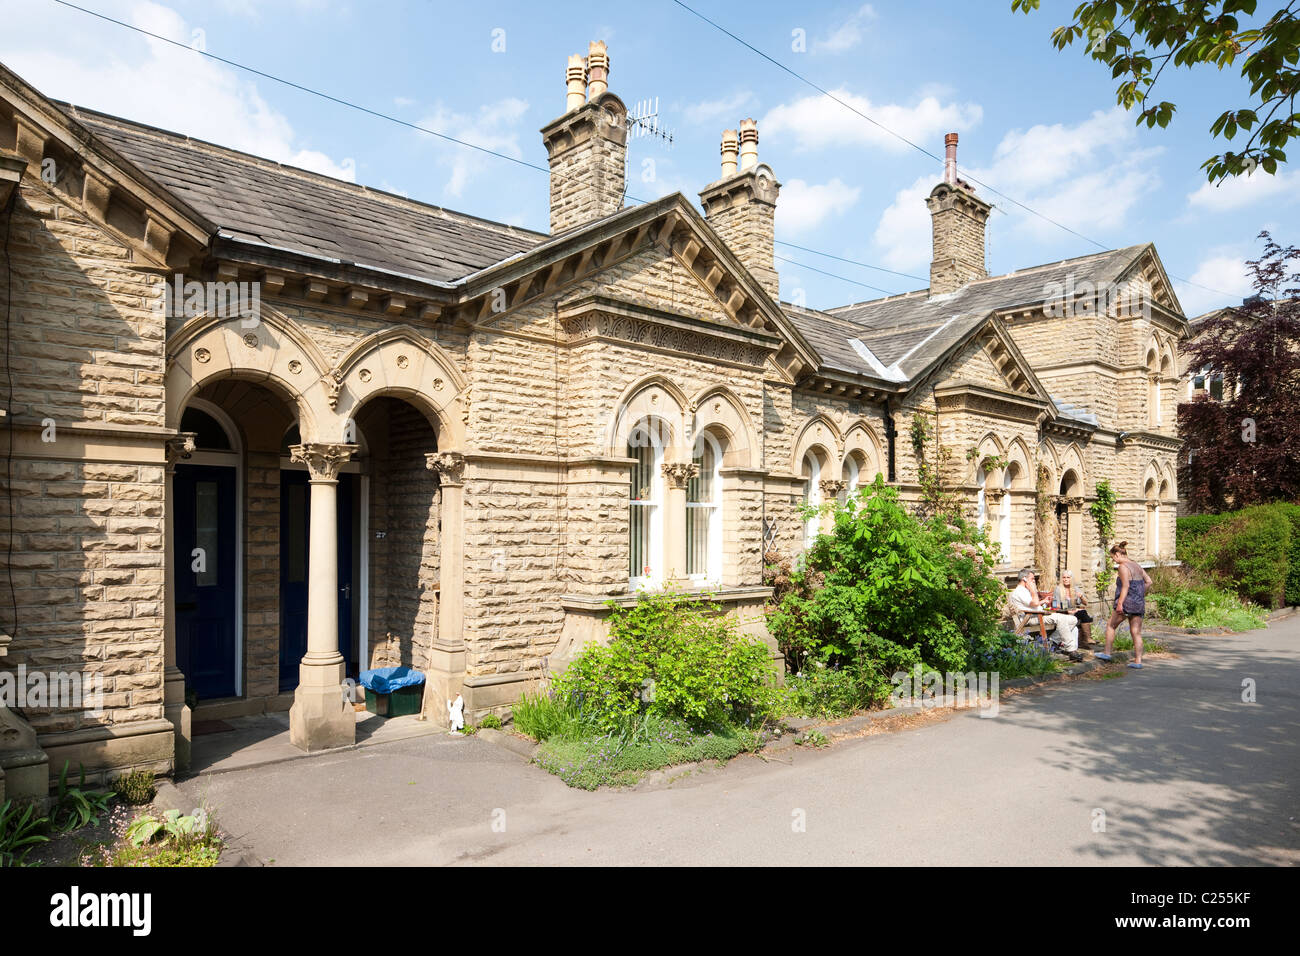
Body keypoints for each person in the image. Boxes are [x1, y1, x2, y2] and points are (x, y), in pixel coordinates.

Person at [1097, 542, 1153, 668]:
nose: (1114, 561)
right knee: (1136, 632)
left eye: (1113, 558)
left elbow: (1126, 586)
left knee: (1111, 625)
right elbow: (1149, 581)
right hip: (1138, 603)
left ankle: (1107, 653)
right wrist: (1139, 593)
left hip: (1126, 603)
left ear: (1117, 554)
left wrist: (1120, 604)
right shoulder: (1137, 565)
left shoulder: (1123, 567)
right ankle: (1138, 661)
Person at [1010, 568, 1082, 661]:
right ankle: (1071, 650)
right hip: (1031, 618)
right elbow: (1034, 603)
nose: (1034, 581)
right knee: (1062, 619)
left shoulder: (1024, 590)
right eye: (1032, 579)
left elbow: (1032, 604)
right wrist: (1033, 590)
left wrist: (1043, 601)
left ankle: (1052, 642)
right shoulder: (1020, 591)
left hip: (1038, 614)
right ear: (1024, 579)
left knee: (1073, 620)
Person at [1052, 571, 1094, 647]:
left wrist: (1081, 597)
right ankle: (1086, 638)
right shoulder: (1058, 589)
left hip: (1073, 612)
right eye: (1064, 577)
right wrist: (1067, 610)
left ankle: (1087, 638)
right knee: (1082, 614)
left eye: (1068, 577)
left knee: (1083, 612)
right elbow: (1055, 605)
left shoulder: (1075, 588)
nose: (1065, 579)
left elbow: (1085, 603)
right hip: (1063, 612)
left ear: (1071, 579)